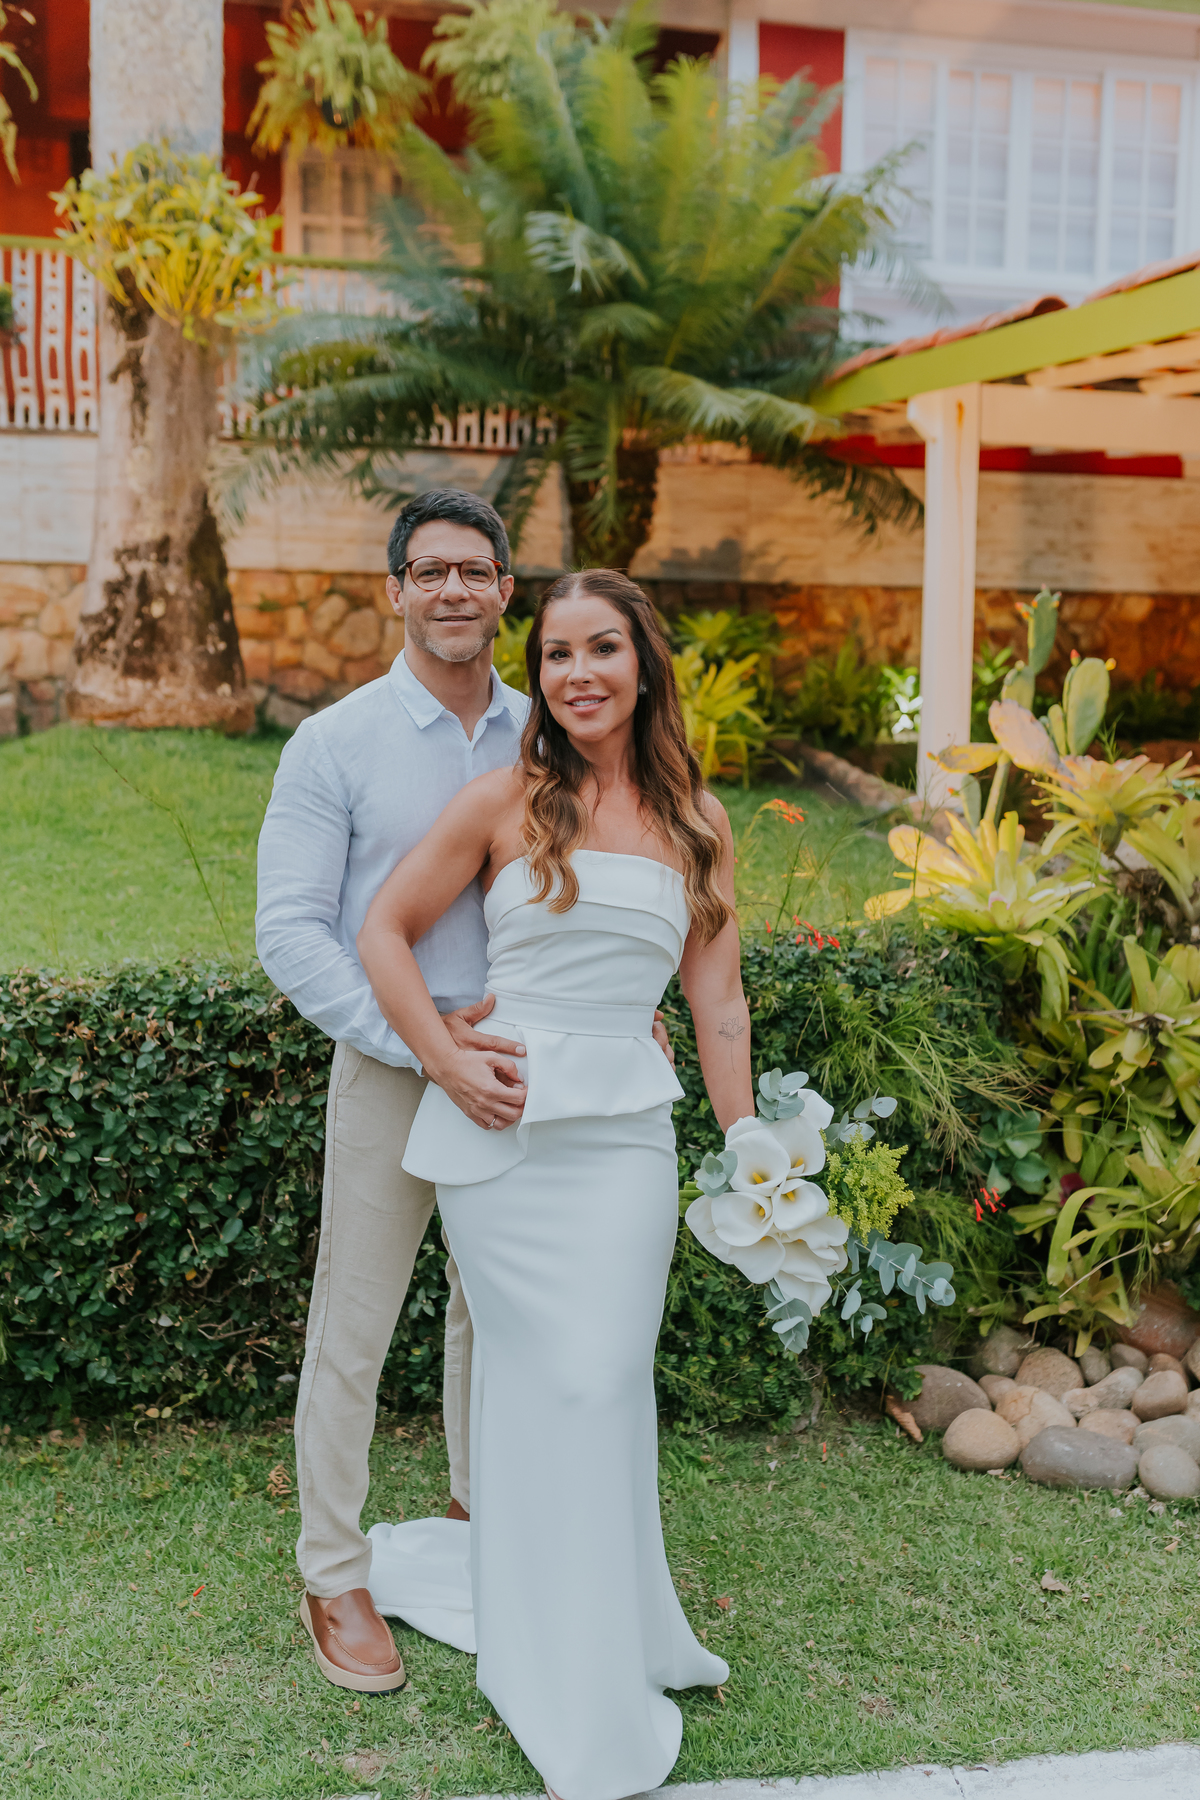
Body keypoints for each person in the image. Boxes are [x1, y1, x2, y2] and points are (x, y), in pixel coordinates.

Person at [355, 568, 754, 1798]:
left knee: (603, 1382)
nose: (578, 673)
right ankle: (554, 1656)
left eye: (603, 649)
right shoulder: (503, 799)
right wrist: (445, 1056)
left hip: (623, 1141)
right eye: (559, 654)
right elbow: (384, 930)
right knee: (548, 1384)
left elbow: (719, 1000)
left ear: (645, 664)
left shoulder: (699, 820)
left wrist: (751, 1156)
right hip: (503, 1133)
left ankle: (613, 1624)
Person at [255, 488, 531, 1694]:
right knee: (355, 1326)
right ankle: (335, 1571)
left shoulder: (551, 735)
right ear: (397, 591)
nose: (454, 591)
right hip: (389, 1066)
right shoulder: (336, 742)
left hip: (524, 1070)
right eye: (431, 572)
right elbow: (292, 932)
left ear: (506, 589)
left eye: (475, 570)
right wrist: (424, 1040)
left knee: (497, 1318)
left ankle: (484, 1525)